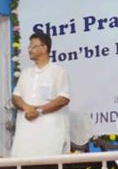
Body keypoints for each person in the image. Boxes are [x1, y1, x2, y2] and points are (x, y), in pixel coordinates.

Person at [9, 31, 71, 159]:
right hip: (25, 130)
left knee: (50, 168)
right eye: (29, 47)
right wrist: (27, 108)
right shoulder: (26, 73)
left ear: (44, 48)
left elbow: (63, 99)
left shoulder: (58, 71)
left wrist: (39, 111)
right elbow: (16, 97)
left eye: (33, 46)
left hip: (50, 130)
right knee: (22, 166)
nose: (29, 50)